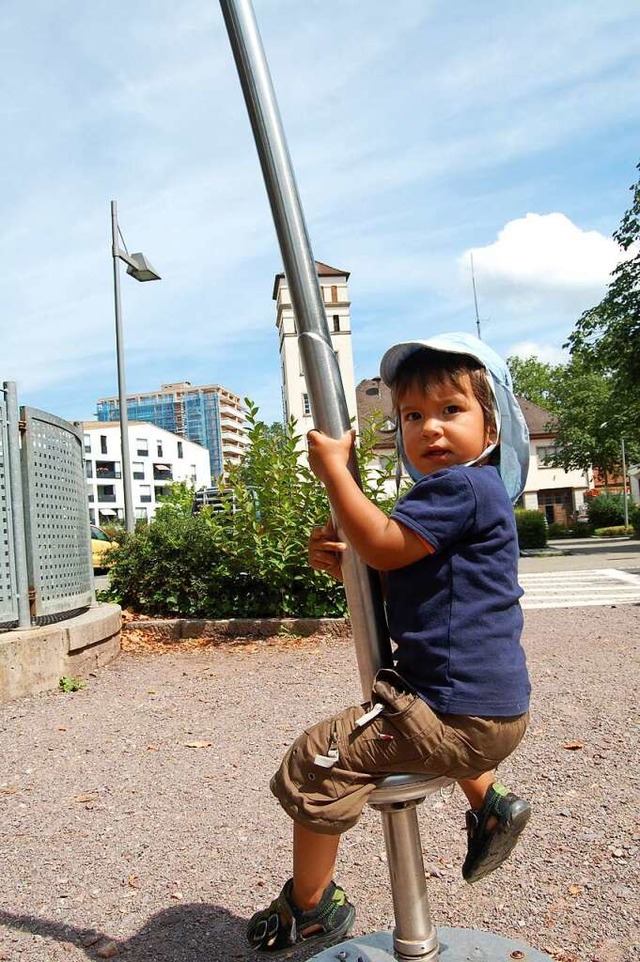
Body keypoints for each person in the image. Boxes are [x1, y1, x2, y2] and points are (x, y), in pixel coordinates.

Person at [247, 332, 532, 955]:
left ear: (491, 429)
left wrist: (334, 474)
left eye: (451, 411)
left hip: (457, 716)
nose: (429, 428)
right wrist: (346, 561)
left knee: (320, 755)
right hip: (482, 709)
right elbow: (391, 560)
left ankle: (310, 905)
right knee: (402, 700)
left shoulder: (459, 487)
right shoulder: (469, 495)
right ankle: (492, 803)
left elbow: (380, 542)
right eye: (412, 415)